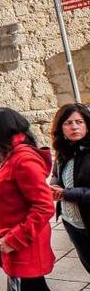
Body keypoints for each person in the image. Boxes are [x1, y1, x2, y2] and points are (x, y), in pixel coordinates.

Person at [0, 107, 68, 291]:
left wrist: (14, 239)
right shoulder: (5, 155)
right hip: (16, 241)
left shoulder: (23, 160)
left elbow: (43, 206)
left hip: (22, 243)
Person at [50, 103, 90, 274]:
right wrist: (54, 185)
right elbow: (55, 174)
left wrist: (67, 193)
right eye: (67, 123)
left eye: (79, 122)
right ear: (61, 128)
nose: (74, 126)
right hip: (71, 221)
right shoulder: (63, 151)